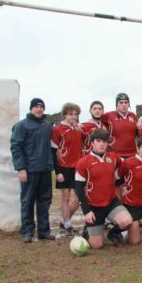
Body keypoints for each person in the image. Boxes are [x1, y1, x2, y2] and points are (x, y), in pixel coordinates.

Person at [75, 129, 133, 248]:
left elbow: (126, 166)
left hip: (111, 202)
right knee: (97, 246)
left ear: (108, 144)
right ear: (92, 142)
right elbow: (79, 188)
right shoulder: (83, 162)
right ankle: (88, 230)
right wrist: (86, 211)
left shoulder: (113, 157)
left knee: (127, 221)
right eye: (98, 141)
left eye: (105, 141)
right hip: (94, 206)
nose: (102, 144)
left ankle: (113, 233)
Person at [11, 98, 55, 243]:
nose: (39, 109)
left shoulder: (47, 125)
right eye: (36, 106)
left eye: (42, 107)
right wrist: (21, 168)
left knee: (44, 201)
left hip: (45, 170)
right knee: (28, 201)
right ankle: (27, 231)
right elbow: (16, 147)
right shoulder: (21, 126)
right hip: (29, 170)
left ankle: (44, 231)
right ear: (31, 108)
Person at [51, 102, 83, 235]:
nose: (73, 117)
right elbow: (53, 151)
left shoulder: (78, 129)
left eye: (75, 114)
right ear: (64, 114)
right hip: (64, 167)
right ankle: (68, 224)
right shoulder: (58, 129)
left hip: (78, 168)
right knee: (65, 197)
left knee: (80, 198)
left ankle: (65, 220)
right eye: (70, 114)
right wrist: (58, 171)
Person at [103, 93, 138, 158]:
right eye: (121, 102)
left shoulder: (133, 116)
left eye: (126, 102)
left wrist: (141, 120)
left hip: (132, 153)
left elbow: (137, 132)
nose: (124, 104)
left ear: (129, 104)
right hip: (115, 153)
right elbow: (97, 119)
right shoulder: (109, 115)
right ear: (117, 104)